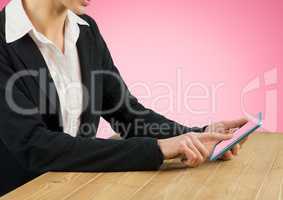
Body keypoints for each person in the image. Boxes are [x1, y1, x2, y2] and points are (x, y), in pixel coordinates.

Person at [0, 0, 248, 196]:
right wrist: (158, 149)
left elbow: (126, 113)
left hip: (76, 190)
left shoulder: (86, 32)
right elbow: (35, 146)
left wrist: (198, 135)